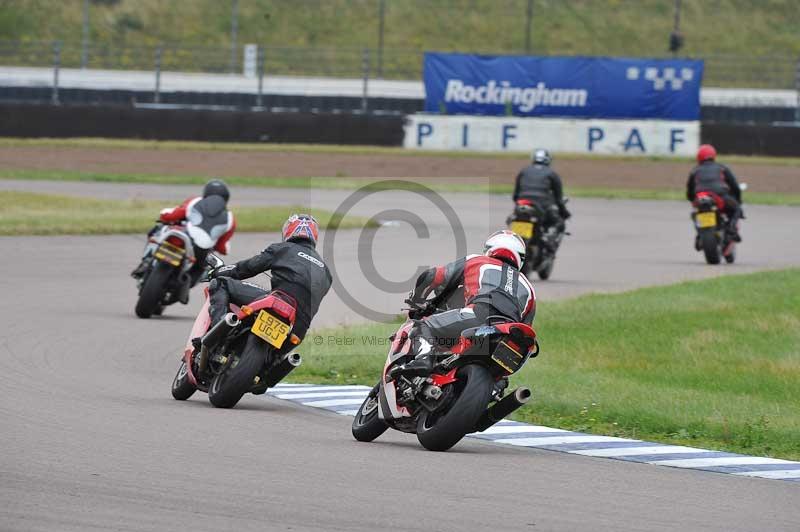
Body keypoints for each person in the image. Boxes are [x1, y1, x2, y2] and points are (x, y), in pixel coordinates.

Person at [392, 230, 536, 377]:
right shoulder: (529, 288)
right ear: (521, 258)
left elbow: (432, 276)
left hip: (479, 315)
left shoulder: (477, 260)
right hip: (511, 332)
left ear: (489, 249)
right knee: (500, 377)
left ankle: (423, 359)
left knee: (421, 326)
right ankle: (496, 388)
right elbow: (527, 325)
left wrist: (417, 301)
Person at [205, 214, 332, 356]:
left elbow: (245, 268)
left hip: (276, 301)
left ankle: (217, 336)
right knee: (274, 361)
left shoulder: (283, 249)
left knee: (221, 284)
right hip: (299, 327)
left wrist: (217, 272)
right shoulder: (327, 273)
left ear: (289, 230)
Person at [132, 179, 236, 291]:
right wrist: (224, 249)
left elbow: (172, 215)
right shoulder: (230, 219)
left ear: (206, 193)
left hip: (182, 236)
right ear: (226, 198)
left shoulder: (195, 201)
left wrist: (163, 215)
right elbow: (222, 247)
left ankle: (145, 262)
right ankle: (183, 289)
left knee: (157, 229)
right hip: (199, 248)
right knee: (201, 267)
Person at [512, 148, 571, 247]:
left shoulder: (523, 171)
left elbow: (515, 195)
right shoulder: (552, 173)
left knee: (513, 219)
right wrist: (565, 213)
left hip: (521, 205)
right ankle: (548, 242)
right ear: (548, 160)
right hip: (541, 206)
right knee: (558, 223)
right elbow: (559, 199)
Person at [686, 144, 743, 242]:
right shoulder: (722, 168)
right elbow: (735, 186)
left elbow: (690, 191)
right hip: (719, 196)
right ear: (713, 156)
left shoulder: (694, 171)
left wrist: (693, 200)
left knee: (695, 214)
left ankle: (699, 235)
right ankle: (732, 229)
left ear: (698, 157)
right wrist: (738, 200)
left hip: (700, 197)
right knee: (737, 209)